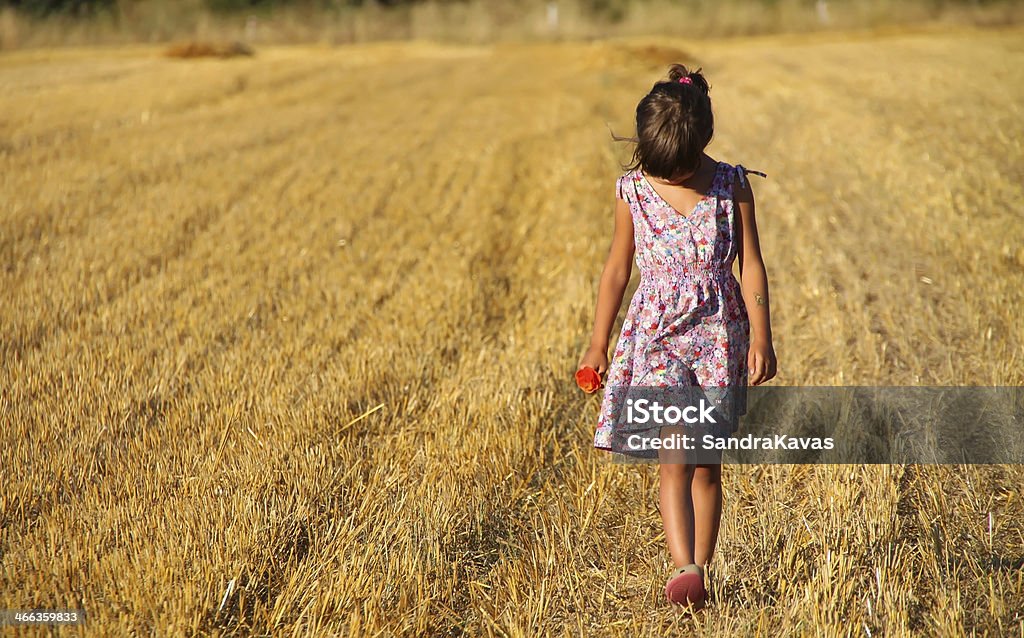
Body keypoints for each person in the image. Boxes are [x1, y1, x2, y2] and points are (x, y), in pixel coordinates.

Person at [577, 63, 777, 609]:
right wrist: (598, 342)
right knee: (675, 454)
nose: (667, 179)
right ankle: (682, 565)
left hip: (718, 338)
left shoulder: (732, 185)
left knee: (707, 467)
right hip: (657, 338)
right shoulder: (631, 192)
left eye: (678, 170)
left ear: (700, 147)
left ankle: (700, 574)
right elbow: (617, 270)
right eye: (659, 170)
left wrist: (763, 335)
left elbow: (751, 265)